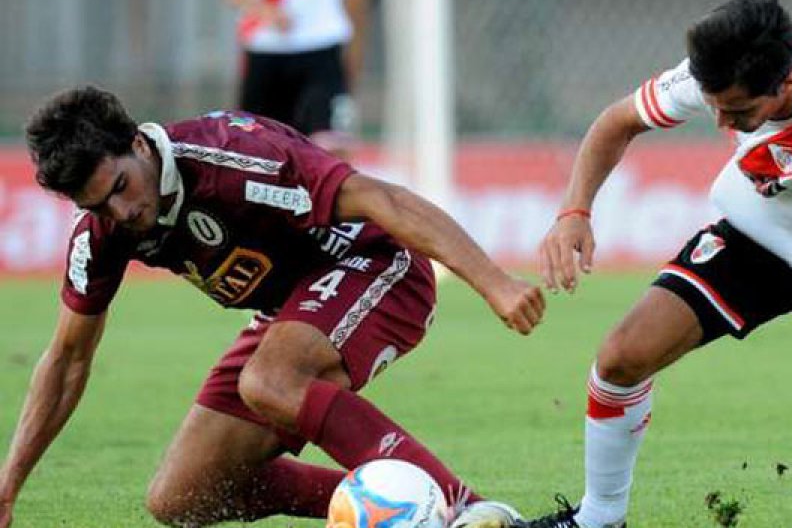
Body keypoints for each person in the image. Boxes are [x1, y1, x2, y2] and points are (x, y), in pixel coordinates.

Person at [0, 86, 545, 527]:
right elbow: (68, 359)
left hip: (379, 265)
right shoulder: (103, 231)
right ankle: (389, 510)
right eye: (101, 204)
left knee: (268, 382)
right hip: (291, 309)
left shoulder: (237, 158)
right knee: (184, 496)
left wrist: (494, 282)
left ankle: (472, 513)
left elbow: (384, 200)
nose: (124, 211)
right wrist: (7, 488)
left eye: (121, 186)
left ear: (139, 145)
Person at [527, 0, 792, 527]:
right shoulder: (717, 72)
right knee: (621, 356)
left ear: (787, 84)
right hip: (761, 241)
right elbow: (617, 121)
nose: (719, 120)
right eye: (715, 105)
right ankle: (598, 519)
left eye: (736, 113)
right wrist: (574, 211)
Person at [217, 0, 369, 158]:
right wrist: (261, 8)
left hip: (324, 44)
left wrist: (356, 50)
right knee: (259, 147)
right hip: (264, 47)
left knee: (332, 145)